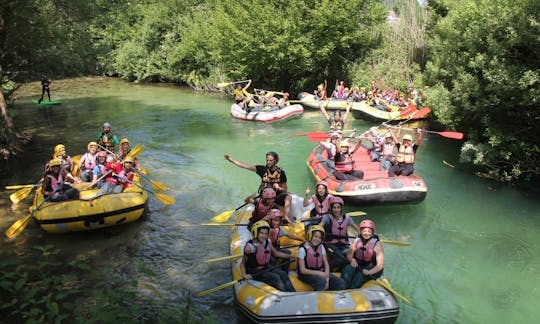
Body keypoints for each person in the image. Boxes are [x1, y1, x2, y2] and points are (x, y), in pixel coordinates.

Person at [224, 152, 293, 224]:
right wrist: (231, 160)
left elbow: (285, 189)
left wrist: (278, 187)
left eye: (270, 160)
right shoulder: (263, 170)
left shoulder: (281, 173)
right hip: (264, 197)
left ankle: (286, 217)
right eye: (267, 160)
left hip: (276, 196)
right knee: (252, 201)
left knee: (288, 197)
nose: (268, 162)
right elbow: (246, 166)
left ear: (275, 161)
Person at [239, 220, 296, 292]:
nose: (264, 235)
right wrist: (244, 275)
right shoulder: (249, 247)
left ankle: (293, 293)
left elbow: (276, 253)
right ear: (255, 232)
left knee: (283, 274)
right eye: (261, 233)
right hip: (254, 271)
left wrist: (292, 256)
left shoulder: (267, 242)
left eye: (266, 233)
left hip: (266, 267)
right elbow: (242, 263)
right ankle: (285, 294)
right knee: (276, 277)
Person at [297, 225, 346, 291]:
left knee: (340, 282)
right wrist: (321, 274)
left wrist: (327, 278)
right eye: (315, 236)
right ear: (310, 235)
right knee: (321, 281)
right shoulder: (303, 249)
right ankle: (317, 298)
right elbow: (303, 270)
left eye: (320, 237)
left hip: (321, 271)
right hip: (305, 275)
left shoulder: (321, 247)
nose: (317, 239)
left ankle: (333, 299)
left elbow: (326, 264)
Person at [319, 196, 360, 271]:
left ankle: (339, 269)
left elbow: (357, 229)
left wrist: (362, 236)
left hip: (344, 244)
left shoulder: (347, 218)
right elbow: (319, 227)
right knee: (340, 258)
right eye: (334, 207)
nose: (336, 210)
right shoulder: (327, 218)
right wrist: (319, 235)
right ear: (331, 208)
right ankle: (324, 269)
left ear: (341, 208)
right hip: (330, 244)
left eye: (338, 207)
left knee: (353, 255)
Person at [341, 219, 384, 289]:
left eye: (369, 231)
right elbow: (349, 255)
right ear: (360, 231)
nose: (366, 233)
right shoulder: (357, 241)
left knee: (358, 278)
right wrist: (352, 260)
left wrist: (369, 272)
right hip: (358, 265)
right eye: (364, 231)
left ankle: (352, 291)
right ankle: (343, 289)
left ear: (372, 232)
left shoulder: (377, 245)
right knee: (347, 270)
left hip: (371, 267)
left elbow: (380, 265)